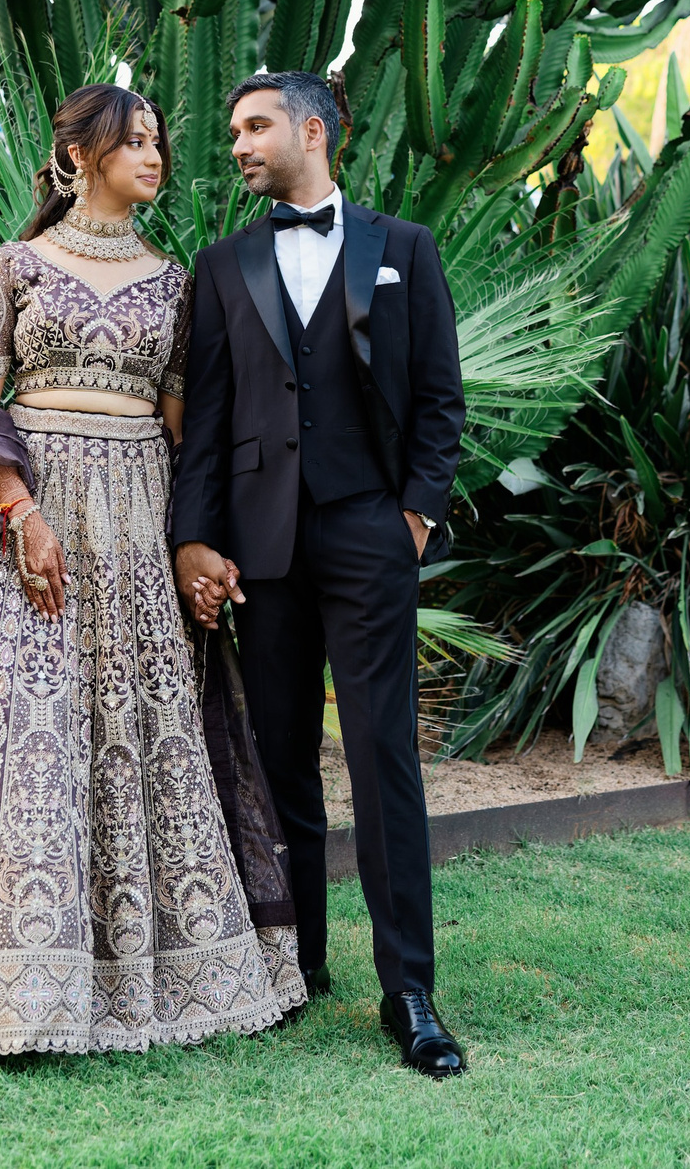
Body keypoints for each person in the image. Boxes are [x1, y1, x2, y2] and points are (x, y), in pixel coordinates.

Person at [0, 84, 305, 1057]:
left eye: (158, 140)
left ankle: (140, 968)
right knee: (19, 738)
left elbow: (185, 428)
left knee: (134, 730)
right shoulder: (16, 265)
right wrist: (20, 511)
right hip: (31, 528)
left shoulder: (177, 283)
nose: (153, 155)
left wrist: (196, 547)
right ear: (80, 154)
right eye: (133, 141)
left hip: (134, 525)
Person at [170, 71, 470, 1078]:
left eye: (255, 125)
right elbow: (204, 420)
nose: (239, 143)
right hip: (259, 547)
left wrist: (413, 518)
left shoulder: (406, 250)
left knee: (385, 755)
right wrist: (192, 538)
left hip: (368, 534)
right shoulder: (222, 265)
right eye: (233, 128)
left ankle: (410, 988)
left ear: (313, 129)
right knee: (281, 755)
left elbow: (439, 397)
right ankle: (297, 962)